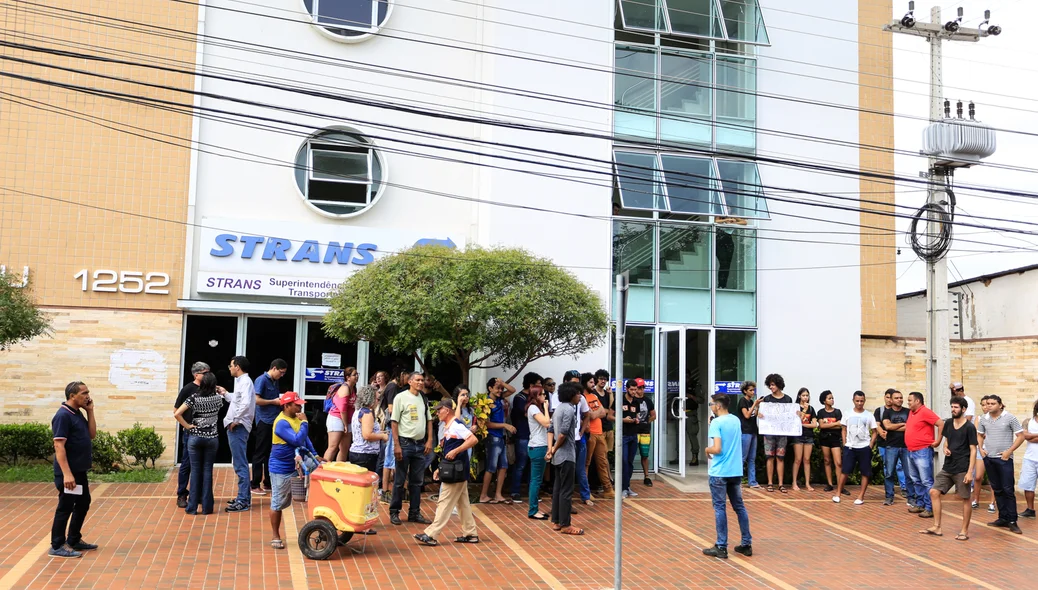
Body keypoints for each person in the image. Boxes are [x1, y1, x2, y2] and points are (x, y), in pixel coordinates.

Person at [414, 400, 481, 546]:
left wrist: (456, 451)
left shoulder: (457, 425)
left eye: (439, 410)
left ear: (447, 410)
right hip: (456, 470)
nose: (437, 413)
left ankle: (431, 534)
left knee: (444, 502)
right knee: (463, 504)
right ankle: (470, 533)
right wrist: (440, 468)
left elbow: (473, 439)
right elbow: (448, 451)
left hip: (456, 472)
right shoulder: (450, 426)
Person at [49, 381, 98, 559]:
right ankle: (56, 545)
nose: (87, 396)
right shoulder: (63, 415)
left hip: (79, 471)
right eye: (84, 393)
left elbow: (92, 434)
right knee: (65, 507)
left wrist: (90, 411)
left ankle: (73, 539)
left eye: (87, 392)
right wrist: (67, 474)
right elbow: (59, 446)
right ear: (72, 396)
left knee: (83, 503)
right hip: (68, 473)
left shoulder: (77, 413)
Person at [702, 394, 752, 560]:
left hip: (720, 472)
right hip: (735, 470)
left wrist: (706, 450)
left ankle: (721, 545)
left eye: (711, 404)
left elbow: (717, 448)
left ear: (717, 406)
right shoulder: (736, 420)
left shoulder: (717, 422)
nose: (711, 406)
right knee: (739, 506)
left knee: (719, 507)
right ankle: (746, 543)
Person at [268, 391, 320, 550]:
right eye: (297, 404)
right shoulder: (281, 422)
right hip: (281, 468)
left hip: (298, 463)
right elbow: (297, 439)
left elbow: (305, 440)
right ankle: (275, 535)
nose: (300, 406)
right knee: (278, 502)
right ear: (287, 405)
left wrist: (316, 455)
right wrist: (305, 423)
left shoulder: (295, 418)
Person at [920, 396, 977, 540]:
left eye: (956, 407)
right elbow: (946, 441)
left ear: (963, 409)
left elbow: (973, 450)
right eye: (952, 407)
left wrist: (970, 472)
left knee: (965, 498)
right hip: (948, 467)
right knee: (934, 492)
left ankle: (964, 530)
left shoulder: (969, 427)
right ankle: (937, 527)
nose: (953, 409)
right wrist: (945, 448)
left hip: (963, 468)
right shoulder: (949, 423)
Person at [174, 373, 223, 516]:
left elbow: (177, 413)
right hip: (212, 437)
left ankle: (192, 507)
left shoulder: (194, 398)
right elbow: (221, 401)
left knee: (195, 471)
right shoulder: (217, 399)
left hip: (195, 437)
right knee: (207, 471)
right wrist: (219, 390)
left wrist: (188, 426)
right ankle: (207, 508)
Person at [389, 371, 434, 526]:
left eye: (422, 380)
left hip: (419, 444)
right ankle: (394, 512)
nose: (421, 383)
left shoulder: (423, 398)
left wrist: (429, 440)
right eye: (418, 380)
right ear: (410, 381)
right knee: (400, 481)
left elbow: (429, 420)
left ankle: (414, 513)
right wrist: (396, 445)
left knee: (417, 482)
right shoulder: (400, 398)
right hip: (405, 443)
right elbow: (394, 422)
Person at [977, 394, 1025, 534]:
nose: (989, 406)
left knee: (1008, 490)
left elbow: (1021, 436)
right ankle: (1002, 518)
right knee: (997, 489)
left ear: (1000, 405)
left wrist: (1009, 451)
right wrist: (981, 449)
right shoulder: (984, 419)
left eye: (992, 403)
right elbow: (980, 434)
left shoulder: (1009, 418)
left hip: (1004, 459)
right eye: (988, 403)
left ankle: (1012, 520)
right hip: (989, 458)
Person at [220, 356, 255, 513]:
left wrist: (236, 420)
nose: (230, 368)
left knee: (240, 464)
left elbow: (246, 404)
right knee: (239, 463)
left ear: (238, 367)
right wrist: (225, 393)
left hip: (238, 427)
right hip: (237, 425)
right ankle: (243, 497)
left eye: (231, 365)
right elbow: (238, 400)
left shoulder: (246, 382)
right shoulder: (241, 382)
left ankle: (243, 501)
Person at [548, 381, 583, 535]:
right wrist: (554, 448)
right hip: (567, 455)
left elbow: (550, 429)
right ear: (571, 395)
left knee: (557, 489)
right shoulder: (569, 410)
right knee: (566, 491)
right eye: (578, 394)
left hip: (557, 456)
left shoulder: (558, 409)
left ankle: (556, 521)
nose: (580, 397)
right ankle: (565, 524)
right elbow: (562, 433)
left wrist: (551, 450)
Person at [174, 362, 210, 508]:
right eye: (205, 372)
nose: (208, 375)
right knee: (187, 464)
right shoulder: (188, 389)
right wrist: (187, 426)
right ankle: (182, 493)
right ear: (197, 374)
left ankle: (200, 494)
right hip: (191, 433)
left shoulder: (209, 389)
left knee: (203, 464)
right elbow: (176, 410)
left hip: (206, 433)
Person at [833, 391, 877, 505]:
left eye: (861, 401)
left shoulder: (868, 415)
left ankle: (861, 496)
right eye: (857, 401)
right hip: (850, 447)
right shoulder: (847, 413)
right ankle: (838, 493)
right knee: (845, 471)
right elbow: (843, 429)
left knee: (865, 472)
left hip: (864, 447)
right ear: (853, 400)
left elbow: (874, 431)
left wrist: (870, 445)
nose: (859, 403)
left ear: (864, 401)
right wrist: (845, 443)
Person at [251, 359, 287, 496]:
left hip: (274, 420)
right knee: (260, 452)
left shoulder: (275, 381)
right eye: (281, 372)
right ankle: (254, 483)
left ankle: (268, 482)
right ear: (274, 368)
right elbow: (257, 400)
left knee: (270, 453)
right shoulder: (261, 380)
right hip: (264, 421)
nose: (282, 375)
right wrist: (274, 402)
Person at [754, 373, 792, 493]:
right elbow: (758, 412)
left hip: (782, 432)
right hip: (769, 432)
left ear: (779, 385)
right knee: (769, 457)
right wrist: (757, 411)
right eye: (770, 385)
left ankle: (781, 484)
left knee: (780, 457)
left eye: (773, 385)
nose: (771, 387)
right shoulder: (767, 399)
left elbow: (791, 415)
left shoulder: (788, 399)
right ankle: (770, 483)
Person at [905, 391, 941, 518]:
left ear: (917, 401)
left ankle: (930, 507)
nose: (908, 402)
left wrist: (938, 441)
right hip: (911, 450)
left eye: (910, 400)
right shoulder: (912, 412)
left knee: (926, 481)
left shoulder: (925, 411)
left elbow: (940, 423)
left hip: (923, 451)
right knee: (916, 480)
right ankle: (920, 504)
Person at [480, 377, 516, 504]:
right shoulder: (486, 402)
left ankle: (498, 494)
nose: (500, 390)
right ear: (490, 388)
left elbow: (512, 390)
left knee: (503, 466)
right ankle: (483, 495)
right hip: (492, 437)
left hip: (501, 437)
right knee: (491, 466)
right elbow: (486, 424)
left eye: (501, 388)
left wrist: (502, 383)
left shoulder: (500, 399)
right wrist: (504, 425)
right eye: (497, 388)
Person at [509, 372, 542, 503]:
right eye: (538, 384)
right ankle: (515, 491)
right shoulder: (520, 398)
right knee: (521, 464)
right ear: (531, 385)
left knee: (531, 464)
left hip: (533, 435)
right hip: (522, 435)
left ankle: (532, 492)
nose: (540, 387)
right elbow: (526, 413)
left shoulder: (532, 399)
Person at [582, 372, 615, 500]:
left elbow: (602, 412)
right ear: (585, 383)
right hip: (589, 434)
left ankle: (608, 489)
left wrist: (595, 413)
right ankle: (586, 492)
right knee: (586, 464)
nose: (593, 384)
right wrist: (596, 413)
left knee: (602, 462)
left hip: (600, 433)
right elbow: (592, 414)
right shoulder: (581, 397)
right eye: (590, 382)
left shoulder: (593, 396)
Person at [380, 370, 410, 503]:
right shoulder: (392, 387)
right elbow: (392, 410)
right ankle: (385, 491)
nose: (408, 381)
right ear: (401, 374)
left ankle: (401, 490)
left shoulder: (396, 387)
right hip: (393, 427)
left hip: (396, 427)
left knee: (397, 459)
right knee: (389, 459)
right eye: (407, 378)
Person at [881, 390, 912, 507]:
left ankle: (911, 498)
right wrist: (902, 424)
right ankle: (889, 497)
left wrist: (894, 427)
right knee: (889, 473)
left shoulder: (908, 412)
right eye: (897, 398)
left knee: (909, 474)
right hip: (891, 446)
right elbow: (887, 426)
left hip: (906, 446)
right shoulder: (887, 412)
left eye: (901, 398)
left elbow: (910, 427)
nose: (899, 400)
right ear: (891, 400)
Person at [526, 386, 551, 519]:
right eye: (541, 394)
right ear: (535, 396)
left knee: (537, 480)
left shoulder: (536, 408)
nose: (544, 397)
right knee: (535, 480)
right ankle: (533, 510)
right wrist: (546, 408)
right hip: (538, 446)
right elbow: (547, 423)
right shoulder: (533, 408)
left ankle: (535, 508)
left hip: (539, 446)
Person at [349, 385, 388, 473]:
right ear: (370, 399)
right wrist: (382, 436)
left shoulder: (358, 411)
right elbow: (367, 435)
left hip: (358, 453)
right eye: (377, 399)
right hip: (365, 454)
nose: (378, 402)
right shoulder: (367, 413)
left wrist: (379, 432)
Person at [325, 368, 359, 462]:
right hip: (337, 418)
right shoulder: (345, 388)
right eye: (354, 374)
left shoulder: (353, 388)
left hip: (347, 420)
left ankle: (339, 471)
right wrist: (345, 425)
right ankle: (323, 470)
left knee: (344, 449)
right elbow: (342, 409)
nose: (357, 376)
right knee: (333, 447)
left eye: (357, 374)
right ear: (348, 377)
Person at [816, 390, 845, 494]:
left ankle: (840, 485)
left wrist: (827, 423)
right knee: (827, 460)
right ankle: (830, 484)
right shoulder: (820, 412)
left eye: (832, 398)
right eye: (829, 398)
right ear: (824, 401)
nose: (832, 400)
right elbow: (821, 426)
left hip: (835, 439)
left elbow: (840, 425)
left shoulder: (837, 412)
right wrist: (834, 423)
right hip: (824, 438)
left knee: (838, 462)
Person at [971, 395, 995, 513]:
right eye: (983, 405)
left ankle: (992, 503)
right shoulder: (979, 418)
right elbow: (978, 434)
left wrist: (985, 434)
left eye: (987, 404)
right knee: (978, 476)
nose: (985, 407)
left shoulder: (996, 418)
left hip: (993, 451)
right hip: (981, 450)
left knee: (993, 478)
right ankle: (976, 499)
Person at [791, 388, 817, 492]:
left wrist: (804, 425)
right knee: (798, 459)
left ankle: (807, 483)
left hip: (808, 436)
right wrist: (804, 411)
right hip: (798, 436)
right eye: (803, 395)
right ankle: (794, 482)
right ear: (799, 396)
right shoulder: (796, 407)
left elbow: (814, 424)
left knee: (807, 460)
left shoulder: (811, 409)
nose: (805, 397)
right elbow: (797, 421)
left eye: (807, 395)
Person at [620, 380, 642, 497]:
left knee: (630, 462)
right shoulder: (620, 400)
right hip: (623, 435)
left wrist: (637, 419)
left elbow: (637, 415)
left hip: (633, 435)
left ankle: (627, 486)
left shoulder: (636, 402)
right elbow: (610, 416)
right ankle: (623, 488)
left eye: (635, 389)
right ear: (627, 388)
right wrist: (623, 420)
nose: (634, 392)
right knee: (623, 462)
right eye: (632, 389)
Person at [736, 381, 759, 489]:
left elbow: (755, 414)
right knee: (743, 457)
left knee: (752, 458)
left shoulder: (751, 402)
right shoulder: (743, 401)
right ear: (745, 391)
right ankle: (737, 481)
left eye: (753, 390)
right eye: (750, 390)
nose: (753, 392)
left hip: (753, 431)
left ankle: (752, 481)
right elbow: (747, 415)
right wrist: (755, 404)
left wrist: (757, 406)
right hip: (745, 431)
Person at [634, 378, 656, 488]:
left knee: (645, 455)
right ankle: (626, 477)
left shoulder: (648, 401)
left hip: (645, 432)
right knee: (630, 455)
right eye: (639, 387)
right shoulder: (631, 400)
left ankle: (647, 476)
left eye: (643, 387)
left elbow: (654, 415)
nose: (641, 390)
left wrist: (647, 421)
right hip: (633, 431)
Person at [1019, 399, 1038, 519]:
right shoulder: (1028, 421)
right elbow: (1024, 436)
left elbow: (1029, 436)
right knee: (1028, 485)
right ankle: (1030, 509)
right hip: (1030, 458)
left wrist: (1031, 435)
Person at [594, 369, 616, 467]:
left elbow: (612, 409)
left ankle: (607, 475)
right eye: (601, 379)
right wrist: (605, 411)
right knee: (600, 454)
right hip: (599, 428)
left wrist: (611, 394)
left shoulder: (607, 394)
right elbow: (599, 410)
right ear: (596, 380)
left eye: (605, 379)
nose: (603, 381)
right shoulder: (594, 393)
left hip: (609, 427)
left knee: (607, 453)